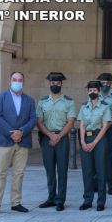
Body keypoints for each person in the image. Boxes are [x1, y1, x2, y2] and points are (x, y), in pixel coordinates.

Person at [0, 72, 36, 217]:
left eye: (20, 80)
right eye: (14, 80)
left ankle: (16, 203)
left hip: (22, 141)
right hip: (4, 140)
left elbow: (32, 119)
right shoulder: (0, 97)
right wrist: (11, 133)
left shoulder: (29, 100)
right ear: (9, 81)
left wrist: (21, 132)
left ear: (23, 82)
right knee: (0, 173)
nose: (17, 82)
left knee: (19, 173)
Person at [37, 72, 76, 212]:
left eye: (57, 83)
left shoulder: (69, 101)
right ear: (49, 84)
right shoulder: (42, 102)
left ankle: (60, 199)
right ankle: (51, 197)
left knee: (62, 170)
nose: (55, 85)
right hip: (47, 138)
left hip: (62, 138)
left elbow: (70, 122)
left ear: (61, 84)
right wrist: (50, 135)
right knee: (49, 170)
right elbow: (39, 122)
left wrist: (58, 137)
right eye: (52, 83)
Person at [77, 80, 112, 211]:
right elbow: (81, 125)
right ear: (88, 92)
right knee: (87, 171)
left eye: (95, 90)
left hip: (99, 139)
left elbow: (105, 126)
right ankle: (87, 199)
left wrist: (94, 142)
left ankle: (101, 201)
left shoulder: (105, 106)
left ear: (99, 91)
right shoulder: (84, 106)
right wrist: (82, 141)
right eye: (90, 91)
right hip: (86, 138)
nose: (93, 92)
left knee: (101, 170)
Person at [97, 73, 112, 195]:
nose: (105, 85)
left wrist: (108, 125)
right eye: (103, 82)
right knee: (97, 155)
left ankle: (111, 184)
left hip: (110, 129)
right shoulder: (94, 93)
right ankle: (97, 183)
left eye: (108, 83)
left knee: (110, 157)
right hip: (97, 128)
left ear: (111, 83)